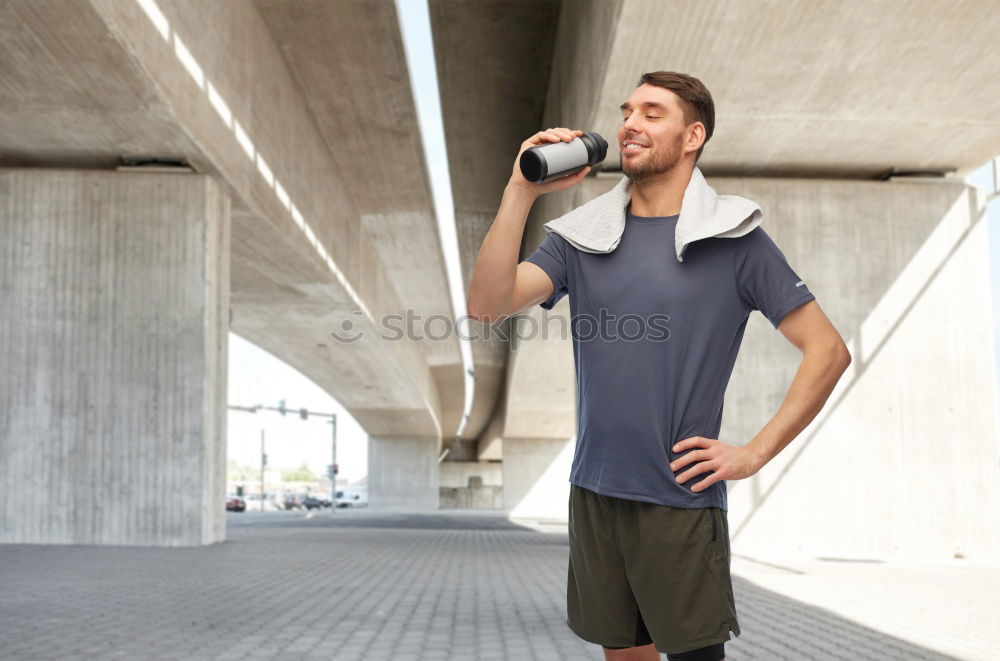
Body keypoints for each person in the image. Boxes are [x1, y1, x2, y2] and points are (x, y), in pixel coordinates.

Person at [466, 71, 852, 661]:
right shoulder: (582, 237)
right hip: (594, 492)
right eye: (627, 111)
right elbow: (487, 305)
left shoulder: (735, 238)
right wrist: (520, 190)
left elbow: (828, 350)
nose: (630, 123)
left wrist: (753, 453)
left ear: (692, 135)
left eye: (652, 112)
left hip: (678, 496)